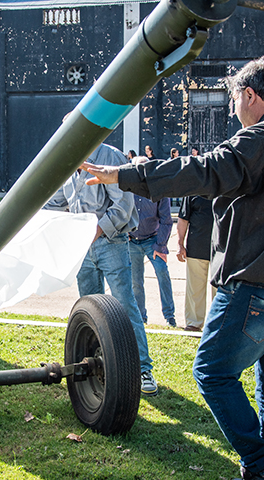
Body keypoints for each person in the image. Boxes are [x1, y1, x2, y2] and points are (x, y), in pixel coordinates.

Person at [84, 55, 264, 480]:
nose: (234, 110)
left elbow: (203, 169)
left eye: (234, 100)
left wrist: (125, 175)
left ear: (250, 95)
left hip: (260, 283)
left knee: (212, 373)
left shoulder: (263, 137)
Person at [45, 137, 158, 397]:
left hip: (111, 242)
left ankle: (142, 369)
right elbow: (58, 202)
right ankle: (100, 366)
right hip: (82, 247)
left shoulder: (110, 157)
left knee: (125, 305)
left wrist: (93, 232)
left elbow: (123, 206)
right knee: (89, 308)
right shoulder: (67, 161)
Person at [128, 156, 176, 327]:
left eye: (144, 168)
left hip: (153, 241)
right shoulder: (127, 189)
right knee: (136, 281)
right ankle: (141, 318)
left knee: (163, 273)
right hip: (132, 241)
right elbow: (120, 210)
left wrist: (160, 245)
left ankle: (169, 316)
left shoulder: (159, 190)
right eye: (137, 168)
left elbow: (167, 220)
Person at [176, 195, 215, 332]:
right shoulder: (193, 189)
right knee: (195, 288)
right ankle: (194, 323)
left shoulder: (226, 184)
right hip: (197, 246)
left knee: (220, 289)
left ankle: (218, 322)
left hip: (223, 249)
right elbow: (183, 219)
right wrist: (180, 244)